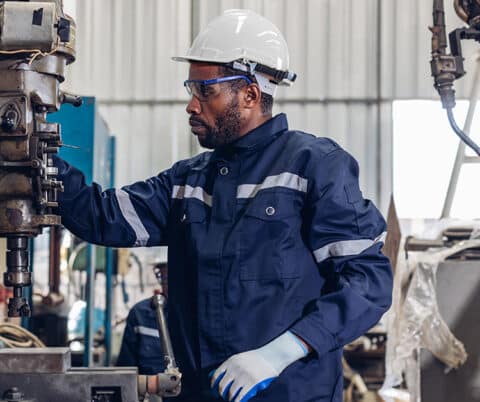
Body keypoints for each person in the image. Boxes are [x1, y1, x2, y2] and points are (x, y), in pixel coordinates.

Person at [53, 9, 392, 402]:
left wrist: (282, 352)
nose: (191, 106)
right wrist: (36, 158)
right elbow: (102, 215)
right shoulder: (188, 181)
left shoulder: (313, 167)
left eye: (205, 91)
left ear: (249, 93)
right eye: (191, 89)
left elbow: (369, 282)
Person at [116, 263, 169, 375]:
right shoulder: (140, 314)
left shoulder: (199, 315)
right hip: (148, 391)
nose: (166, 282)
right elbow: (125, 370)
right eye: (164, 278)